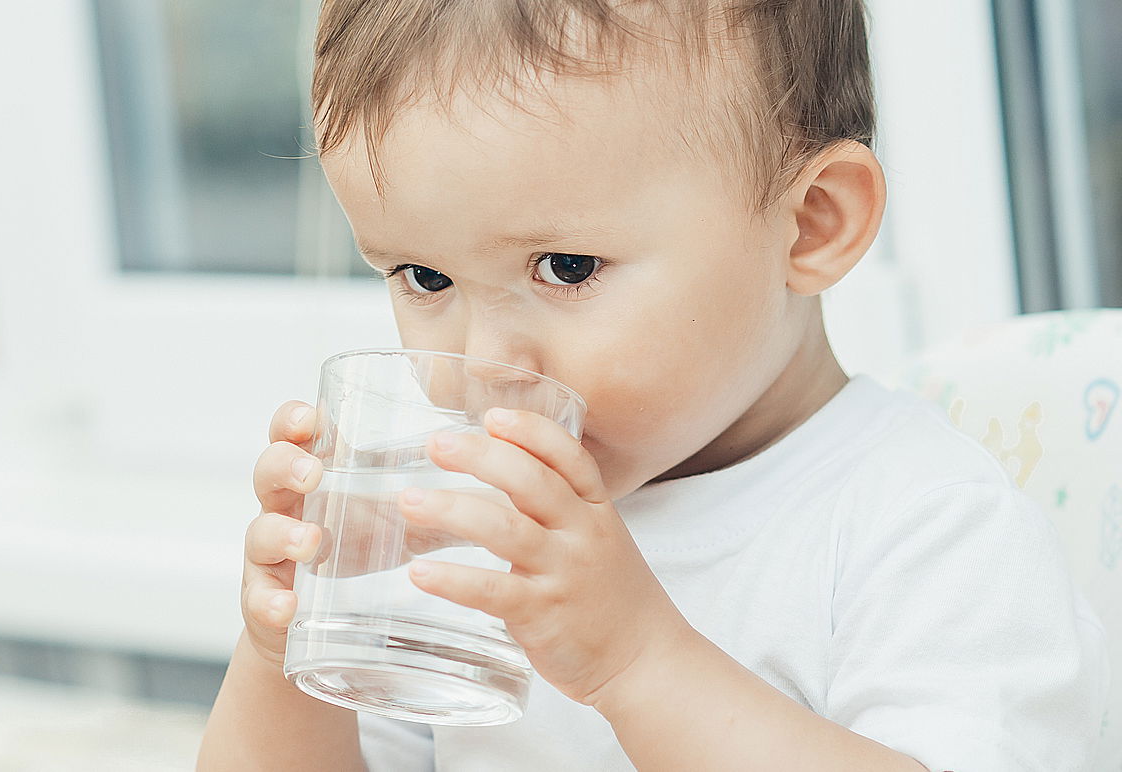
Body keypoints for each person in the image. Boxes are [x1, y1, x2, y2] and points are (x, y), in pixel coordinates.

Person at [198, 0, 1109, 769]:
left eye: (564, 266)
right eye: (424, 279)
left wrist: (637, 662)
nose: (491, 366)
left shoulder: (923, 527)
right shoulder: (467, 526)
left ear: (810, 225)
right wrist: (286, 656)